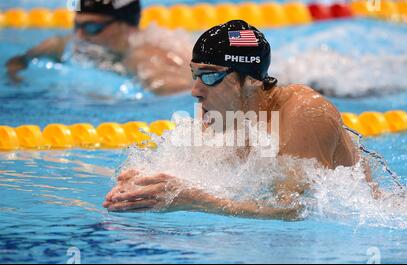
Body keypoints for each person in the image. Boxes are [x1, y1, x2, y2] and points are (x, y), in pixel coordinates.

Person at [103, 20, 374, 220]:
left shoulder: (305, 114)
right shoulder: (229, 114)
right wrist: (150, 183)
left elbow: (295, 210)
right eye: (195, 74)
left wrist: (193, 200)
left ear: (251, 81)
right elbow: (212, 178)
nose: (195, 90)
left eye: (210, 75)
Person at [5, 0, 192, 95]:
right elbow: (17, 62)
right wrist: (15, 80)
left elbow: (180, 93)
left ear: (126, 27)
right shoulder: (65, 44)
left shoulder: (144, 57)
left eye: (92, 27)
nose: (79, 36)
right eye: (77, 26)